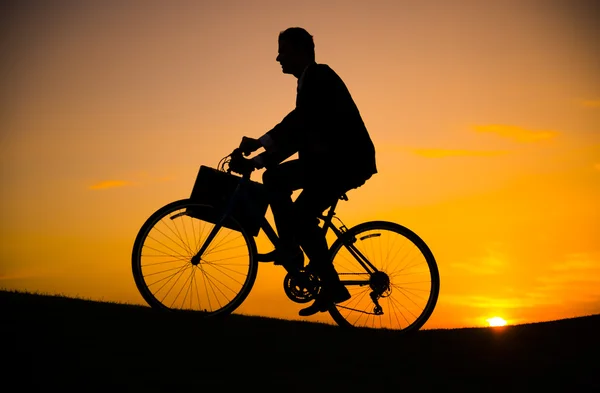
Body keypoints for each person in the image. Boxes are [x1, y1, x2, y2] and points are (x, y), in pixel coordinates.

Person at [237, 27, 377, 316]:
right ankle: (290, 247)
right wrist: (260, 160)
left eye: (283, 51)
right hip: (329, 163)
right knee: (274, 179)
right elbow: (299, 135)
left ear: (302, 52)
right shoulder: (308, 81)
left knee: (299, 214)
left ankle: (327, 280)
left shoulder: (320, 77)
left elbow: (298, 122)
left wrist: (260, 145)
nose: (278, 58)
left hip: (345, 163)